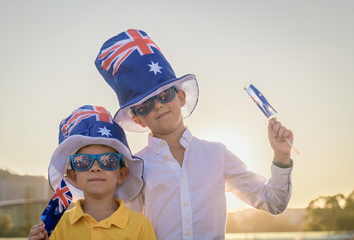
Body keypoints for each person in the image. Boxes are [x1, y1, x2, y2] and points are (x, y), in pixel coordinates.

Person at [95, 29, 294, 240]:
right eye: (145, 105)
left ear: (180, 97)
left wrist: (281, 156)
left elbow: (273, 202)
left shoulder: (217, 154)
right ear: (137, 119)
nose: (158, 106)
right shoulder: (136, 167)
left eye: (164, 94)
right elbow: (128, 232)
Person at [28, 105, 156, 240]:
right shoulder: (57, 226)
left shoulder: (140, 225)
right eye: (83, 161)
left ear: (121, 174)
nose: (95, 168)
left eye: (108, 161)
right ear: (73, 177)